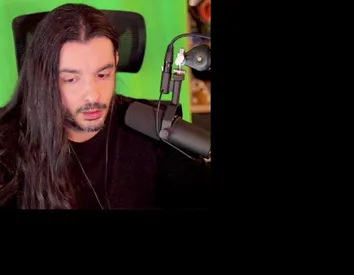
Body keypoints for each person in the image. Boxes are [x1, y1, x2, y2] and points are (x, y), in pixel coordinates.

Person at [0, 3, 210, 209]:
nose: (93, 95)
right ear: (43, 76)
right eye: (71, 79)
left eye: (103, 75)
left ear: (116, 61)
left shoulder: (152, 127)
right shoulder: (6, 145)